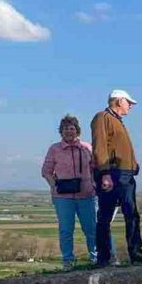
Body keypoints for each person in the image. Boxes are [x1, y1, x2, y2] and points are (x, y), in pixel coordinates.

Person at [91, 89, 142, 267]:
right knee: (105, 216)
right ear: (119, 101)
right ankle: (104, 257)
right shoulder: (103, 117)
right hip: (112, 173)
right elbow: (100, 146)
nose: (130, 106)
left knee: (132, 214)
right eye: (128, 102)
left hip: (126, 174)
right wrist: (105, 173)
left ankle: (136, 254)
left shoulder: (118, 121)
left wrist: (133, 164)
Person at [41, 115, 98, 269]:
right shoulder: (54, 149)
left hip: (86, 194)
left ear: (77, 130)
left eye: (72, 128)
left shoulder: (87, 148)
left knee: (91, 229)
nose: (69, 132)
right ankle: (68, 260)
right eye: (65, 129)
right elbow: (46, 171)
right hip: (63, 196)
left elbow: (95, 168)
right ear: (61, 131)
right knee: (66, 230)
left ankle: (96, 258)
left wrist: (94, 184)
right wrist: (54, 185)